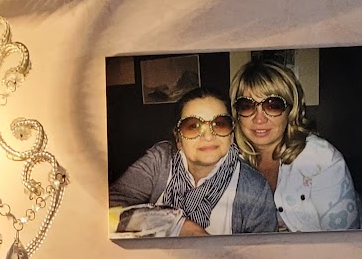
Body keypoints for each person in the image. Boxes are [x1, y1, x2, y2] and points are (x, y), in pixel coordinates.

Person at [109, 89, 278, 236]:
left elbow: (264, 254)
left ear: (232, 134)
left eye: (220, 124)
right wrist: (175, 224)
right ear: (178, 139)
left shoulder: (254, 188)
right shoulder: (160, 161)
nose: (208, 136)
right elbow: (106, 207)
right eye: (192, 126)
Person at [230, 57, 359, 232]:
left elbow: (344, 241)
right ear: (237, 113)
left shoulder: (322, 159)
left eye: (273, 105)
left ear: (291, 110)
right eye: (246, 105)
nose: (259, 118)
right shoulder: (227, 162)